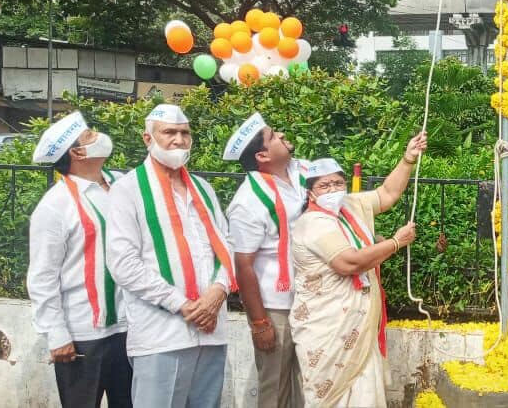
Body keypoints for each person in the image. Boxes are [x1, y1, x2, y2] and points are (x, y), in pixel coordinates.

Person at [105, 104, 238, 408]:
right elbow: (123, 264)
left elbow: (225, 244)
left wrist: (218, 292)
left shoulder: (202, 188)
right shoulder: (128, 190)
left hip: (211, 330)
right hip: (162, 334)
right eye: (169, 133)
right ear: (147, 139)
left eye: (185, 133)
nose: (179, 140)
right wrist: (183, 305)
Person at [290, 132, 425, 407]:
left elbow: (387, 193)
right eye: (325, 185)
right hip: (327, 329)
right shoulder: (312, 223)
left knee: (365, 392)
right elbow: (349, 263)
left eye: (338, 183)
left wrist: (408, 158)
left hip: (359, 326)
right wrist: (396, 242)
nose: (333, 190)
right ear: (310, 191)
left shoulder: (350, 206)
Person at [28, 111, 132, 408]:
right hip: (83, 334)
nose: (98, 135)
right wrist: (56, 333)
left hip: (129, 328)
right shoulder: (54, 206)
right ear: (77, 152)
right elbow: (42, 276)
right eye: (89, 135)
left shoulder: (120, 184)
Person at [224, 112, 305, 407]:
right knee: (275, 387)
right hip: (275, 307)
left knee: (307, 382)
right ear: (262, 155)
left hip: (308, 298)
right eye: (273, 136)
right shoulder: (248, 202)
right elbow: (243, 265)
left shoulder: (299, 172)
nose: (281, 135)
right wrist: (260, 322)